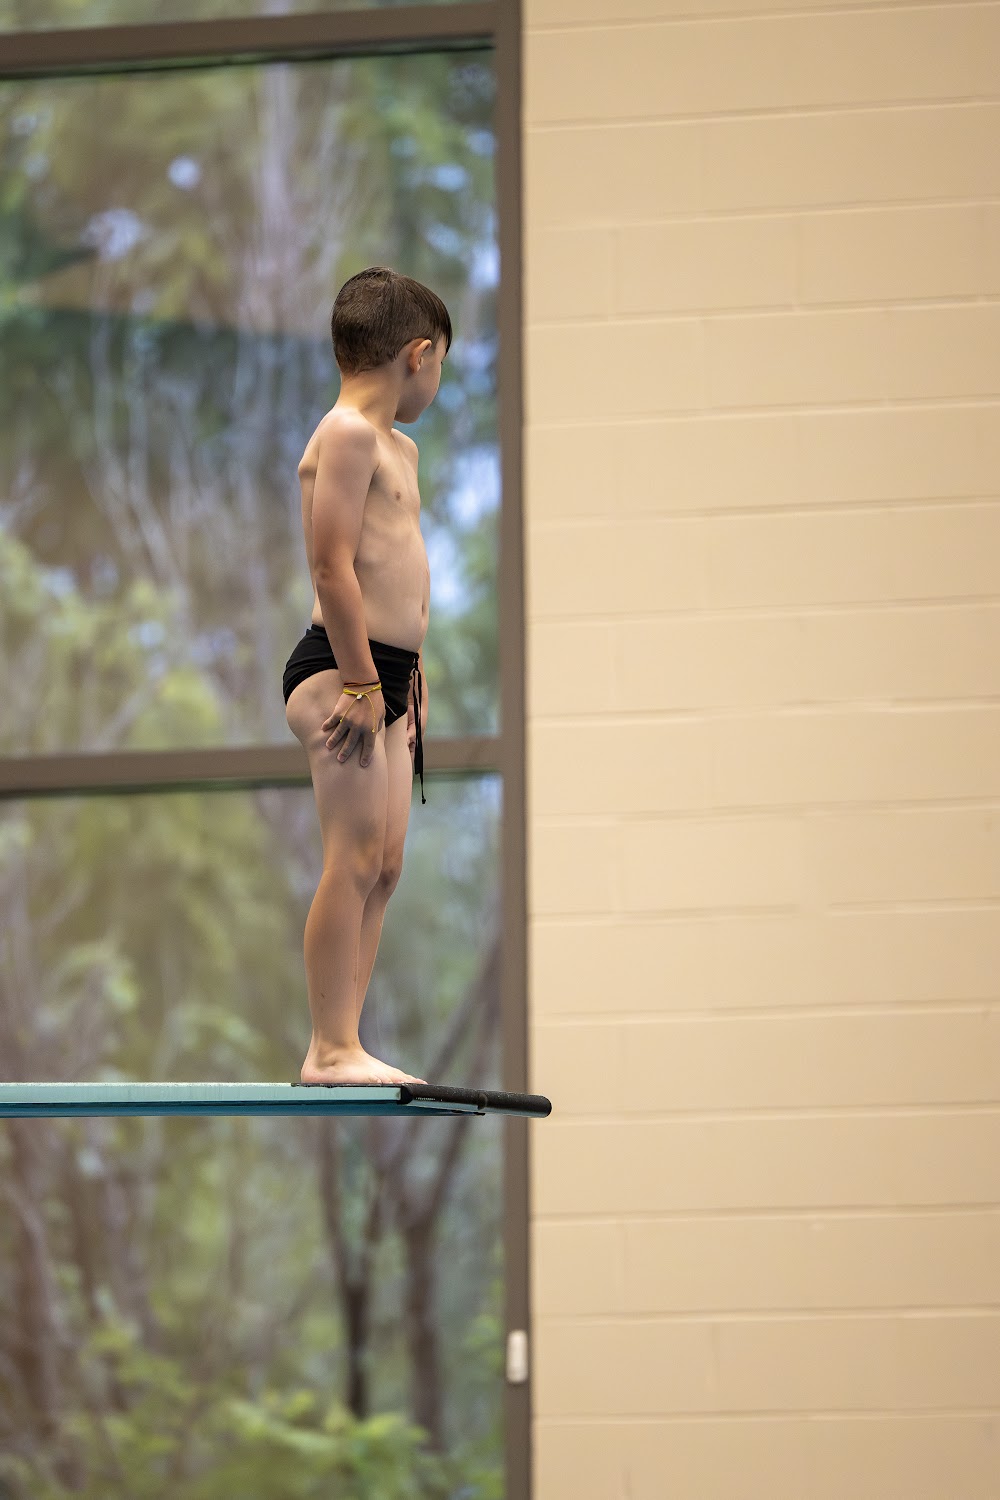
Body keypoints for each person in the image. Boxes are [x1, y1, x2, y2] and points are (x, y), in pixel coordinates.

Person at [282, 266, 451, 1086]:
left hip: (388, 677)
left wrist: (406, 677)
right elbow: (332, 565)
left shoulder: (400, 448)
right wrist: (358, 680)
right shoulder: (346, 433)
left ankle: (347, 1040)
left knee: (384, 866)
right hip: (341, 672)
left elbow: (401, 569)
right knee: (351, 858)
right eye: (441, 363)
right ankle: (328, 1047)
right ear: (418, 355)